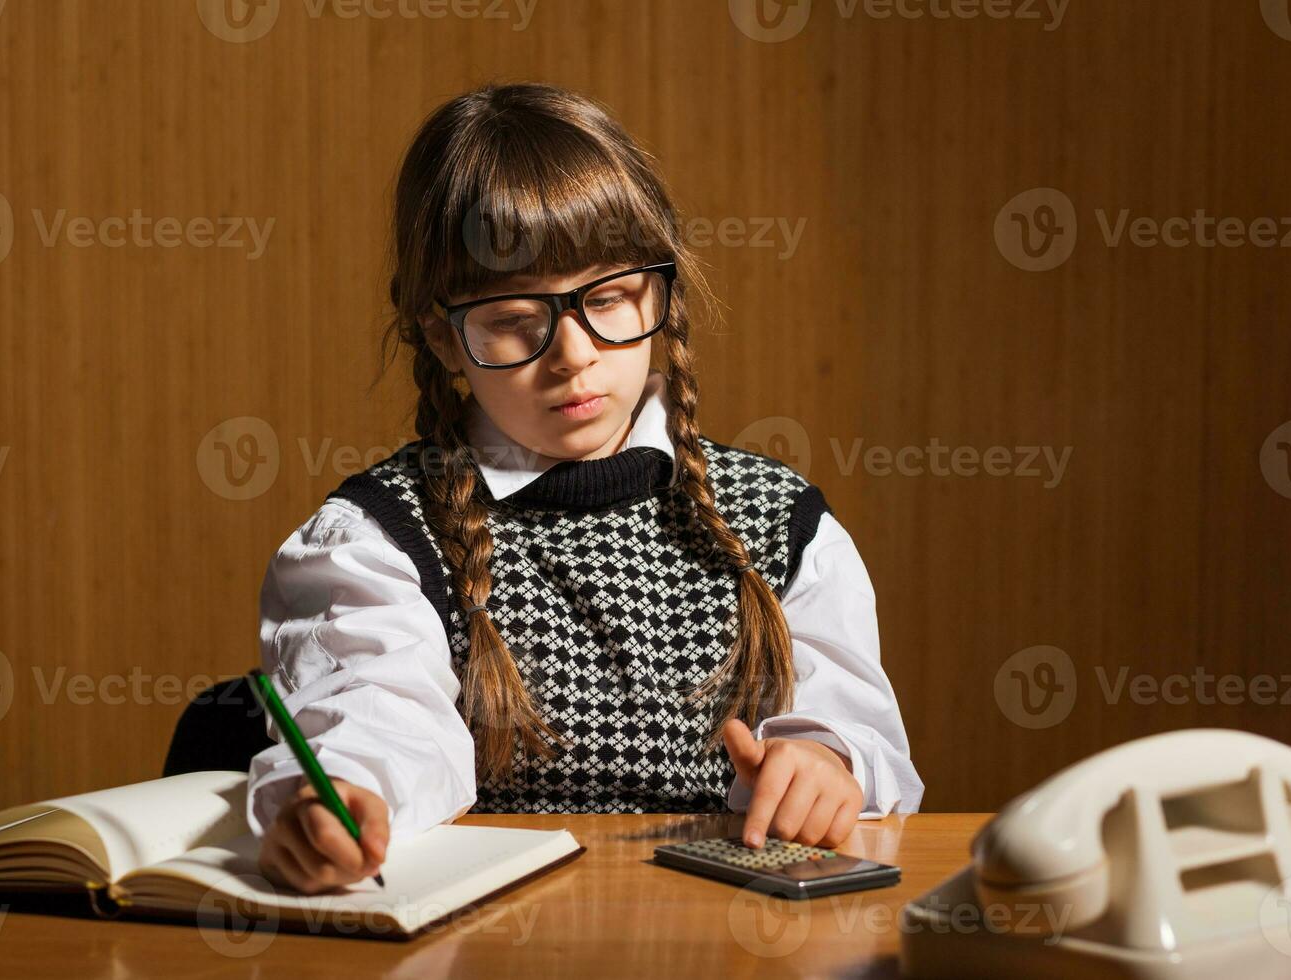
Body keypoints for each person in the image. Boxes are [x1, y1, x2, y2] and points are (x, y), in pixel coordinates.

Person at [246, 81, 922, 894]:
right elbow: (377, 712)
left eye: (606, 298)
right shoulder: (379, 536)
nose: (572, 354)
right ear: (442, 335)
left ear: (661, 290)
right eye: (513, 319)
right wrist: (352, 792)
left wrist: (827, 761)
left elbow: (864, 737)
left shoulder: (783, 521)